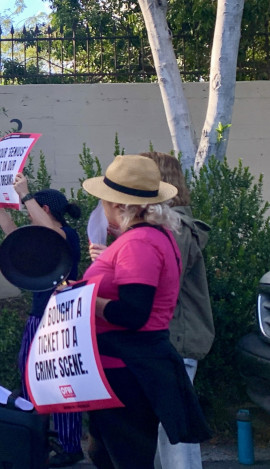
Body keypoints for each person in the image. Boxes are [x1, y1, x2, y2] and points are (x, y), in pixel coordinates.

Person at [80, 155, 210, 469]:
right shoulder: (147, 238)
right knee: (110, 453)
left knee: (127, 456)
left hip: (128, 369)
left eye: (105, 202)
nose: (103, 208)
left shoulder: (139, 243)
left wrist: (82, 299)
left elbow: (133, 313)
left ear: (121, 206)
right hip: (125, 366)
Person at [0, 173, 85, 467]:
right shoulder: (40, 239)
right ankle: (39, 435)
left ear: (43, 210)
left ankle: (70, 445)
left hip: (62, 318)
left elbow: (54, 234)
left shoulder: (67, 236)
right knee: (29, 374)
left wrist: (26, 194)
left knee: (62, 380)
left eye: (31, 209)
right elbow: (13, 237)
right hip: (38, 316)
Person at [138, 152, 213, 469]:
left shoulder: (176, 227)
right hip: (174, 340)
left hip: (175, 341)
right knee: (166, 432)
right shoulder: (174, 226)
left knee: (174, 435)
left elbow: (162, 280)